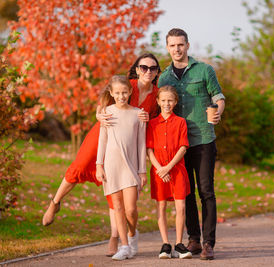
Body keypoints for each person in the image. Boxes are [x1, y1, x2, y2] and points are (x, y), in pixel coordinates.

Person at [42, 53, 161, 256]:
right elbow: (103, 105)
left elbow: (157, 120)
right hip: (104, 130)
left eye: (152, 68)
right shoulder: (126, 84)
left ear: (157, 71)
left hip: (127, 142)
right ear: (137, 68)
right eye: (144, 67)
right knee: (79, 167)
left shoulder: (156, 94)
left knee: (117, 190)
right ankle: (55, 202)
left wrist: (148, 119)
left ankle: (116, 236)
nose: (147, 72)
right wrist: (99, 115)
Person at [158, 28, 225, 260]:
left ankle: (208, 243)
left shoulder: (204, 70)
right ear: (167, 48)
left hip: (203, 139)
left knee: (206, 191)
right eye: (172, 45)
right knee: (184, 193)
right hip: (177, 145)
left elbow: (218, 97)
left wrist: (217, 113)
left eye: (180, 44)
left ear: (187, 45)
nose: (177, 49)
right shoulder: (164, 78)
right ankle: (193, 239)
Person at [95, 75, 147, 261]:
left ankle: (133, 234)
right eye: (117, 93)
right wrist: (98, 165)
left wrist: (142, 170)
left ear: (130, 92)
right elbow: (102, 140)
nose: (121, 96)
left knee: (131, 209)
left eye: (124, 92)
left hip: (131, 166)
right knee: (117, 207)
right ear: (111, 93)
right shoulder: (106, 112)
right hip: (111, 165)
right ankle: (124, 246)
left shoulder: (138, 114)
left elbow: (141, 144)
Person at [146, 85, 192, 259]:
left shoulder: (180, 122)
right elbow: (149, 149)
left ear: (175, 102)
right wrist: (160, 168)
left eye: (170, 100)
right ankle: (165, 245)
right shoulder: (152, 124)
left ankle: (179, 244)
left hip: (177, 170)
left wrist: (168, 167)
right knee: (161, 206)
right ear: (158, 101)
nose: (167, 103)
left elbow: (183, 147)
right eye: (163, 100)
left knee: (181, 206)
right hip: (158, 172)